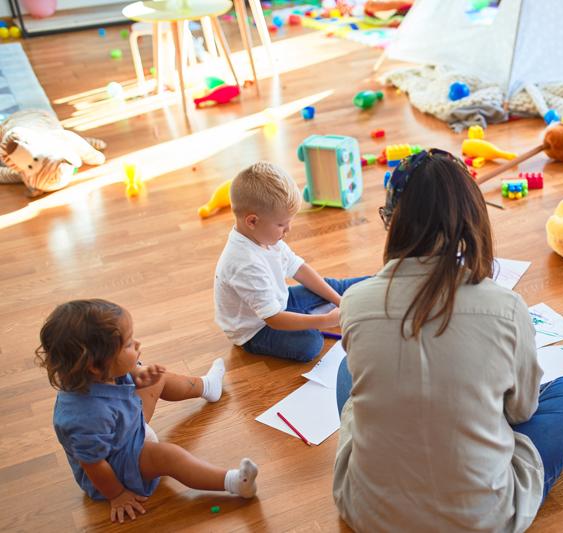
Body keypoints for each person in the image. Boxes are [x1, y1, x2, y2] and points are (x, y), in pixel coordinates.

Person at [331, 150, 563, 532]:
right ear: (472, 221)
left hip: (368, 512)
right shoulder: (506, 306)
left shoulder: (355, 301)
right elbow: (522, 411)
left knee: (349, 370)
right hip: (481, 518)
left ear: (393, 222)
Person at [38, 299, 258, 523]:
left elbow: (129, 370)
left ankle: (208, 387)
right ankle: (235, 482)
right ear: (95, 365)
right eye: (128, 344)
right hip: (118, 468)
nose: (137, 344)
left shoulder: (98, 370)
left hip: (128, 429)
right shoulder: (85, 418)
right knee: (170, 457)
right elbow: (93, 465)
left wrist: (137, 374)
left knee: (158, 379)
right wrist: (118, 494)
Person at [213, 162, 368, 362]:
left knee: (331, 286)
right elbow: (274, 319)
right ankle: (312, 313)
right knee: (311, 344)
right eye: (281, 224)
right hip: (256, 329)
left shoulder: (265, 237)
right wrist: (326, 320)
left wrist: (339, 300)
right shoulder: (244, 263)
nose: (288, 230)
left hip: (279, 301)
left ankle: (384, 280)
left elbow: (300, 269)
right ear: (252, 221)